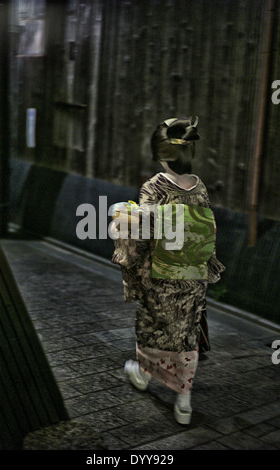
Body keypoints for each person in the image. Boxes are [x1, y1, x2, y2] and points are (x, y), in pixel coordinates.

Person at [111, 117, 225, 425]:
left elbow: (144, 234)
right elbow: (206, 233)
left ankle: (144, 376)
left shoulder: (154, 187)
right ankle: (184, 402)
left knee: (152, 330)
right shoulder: (199, 187)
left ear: (160, 153)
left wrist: (121, 235)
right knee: (187, 336)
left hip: (162, 277)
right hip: (194, 278)